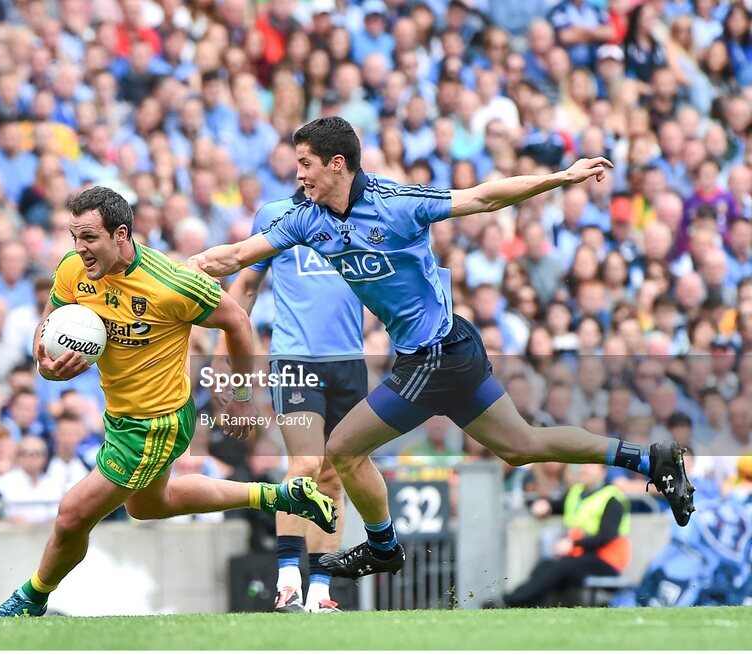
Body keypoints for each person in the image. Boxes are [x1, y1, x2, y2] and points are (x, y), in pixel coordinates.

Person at [189, 116, 695, 580]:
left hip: (437, 352)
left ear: (336, 165)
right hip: (443, 353)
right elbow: (236, 255)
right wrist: (171, 268)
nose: (298, 176)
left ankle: (383, 547)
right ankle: (649, 459)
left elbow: (483, 198)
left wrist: (559, 178)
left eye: (305, 165)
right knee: (522, 447)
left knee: (342, 449)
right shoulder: (307, 219)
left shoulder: (397, 204)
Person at [0, 187, 337, 618]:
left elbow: (238, 321)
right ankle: (279, 495)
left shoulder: (171, 283)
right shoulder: (73, 270)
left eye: (89, 238)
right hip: (120, 416)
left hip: (157, 423)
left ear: (121, 234)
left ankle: (28, 602)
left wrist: (243, 396)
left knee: (72, 515)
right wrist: (47, 366)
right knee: (149, 504)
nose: (80, 249)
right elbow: (45, 336)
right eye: (74, 236)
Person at [221, 186, 364, 613]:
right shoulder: (276, 214)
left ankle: (320, 590)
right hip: (294, 359)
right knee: (303, 466)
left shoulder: (362, 216)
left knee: (334, 476)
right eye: (301, 164)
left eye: (309, 161)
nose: (305, 171)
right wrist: (233, 371)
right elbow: (245, 285)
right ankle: (287, 582)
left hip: (351, 360)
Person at [498, 463, 631, 607]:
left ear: (603, 471)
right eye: (583, 465)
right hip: (582, 557)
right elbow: (557, 505)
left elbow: (606, 535)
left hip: (606, 561)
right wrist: (544, 505)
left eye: (591, 466)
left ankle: (511, 602)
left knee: (560, 567)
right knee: (546, 565)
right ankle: (523, 602)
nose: (584, 469)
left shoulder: (612, 498)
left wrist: (573, 543)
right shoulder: (576, 492)